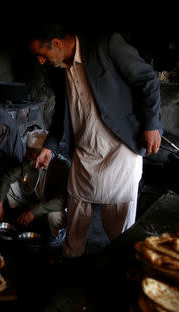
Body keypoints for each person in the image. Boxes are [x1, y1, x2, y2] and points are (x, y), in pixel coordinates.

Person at [27, 24, 162, 257]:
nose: (41, 61)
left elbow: (147, 79)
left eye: (42, 53)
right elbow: (62, 111)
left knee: (118, 224)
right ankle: (71, 263)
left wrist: (151, 126)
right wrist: (49, 147)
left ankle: (119, 268)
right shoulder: (59, 69)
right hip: (84, 151)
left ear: (57, 44)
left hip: (120, 149)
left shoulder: (106, 45)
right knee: (76, 217)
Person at [0, 130, 70, 245]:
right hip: (35, 200)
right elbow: (8, 177)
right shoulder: (30, 161)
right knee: (11, 186)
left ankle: (57, 235)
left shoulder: (62, 166)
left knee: (53, 217)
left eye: (30, 152)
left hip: (53, 206)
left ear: (43, 153)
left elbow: (61, 200)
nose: (26, 155)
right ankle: (18, 218)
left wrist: (33, 213)